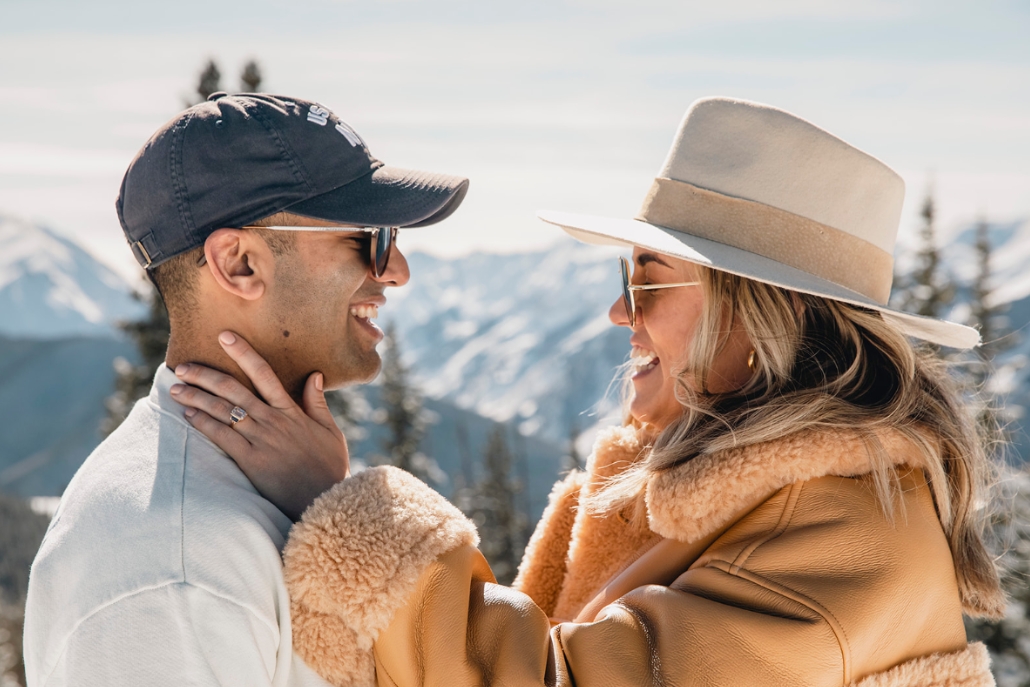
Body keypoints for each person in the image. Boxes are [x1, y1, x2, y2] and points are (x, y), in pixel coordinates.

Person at [172, 97, 1005, 686]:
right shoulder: (739, 499)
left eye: (648, 280)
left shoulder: (840, 539)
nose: (618, 312)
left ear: (761, 314)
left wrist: (342, 508)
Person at [22, 92, 468, 686]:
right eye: (368, 235)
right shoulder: (179, 564)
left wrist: (327, 505)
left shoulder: (249, 505)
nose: (396, 269)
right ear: (240, 264)